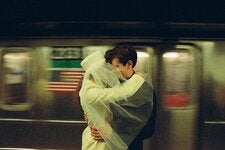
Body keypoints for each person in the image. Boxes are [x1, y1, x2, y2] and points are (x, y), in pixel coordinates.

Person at [78, 45, 155, 150]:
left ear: (129, 64)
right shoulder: (111, 86)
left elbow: (149, 130)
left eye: (117, 67)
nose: (113, 71)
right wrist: (93, 118)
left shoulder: (145, 90)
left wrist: (111, 133)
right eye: (112, 67)